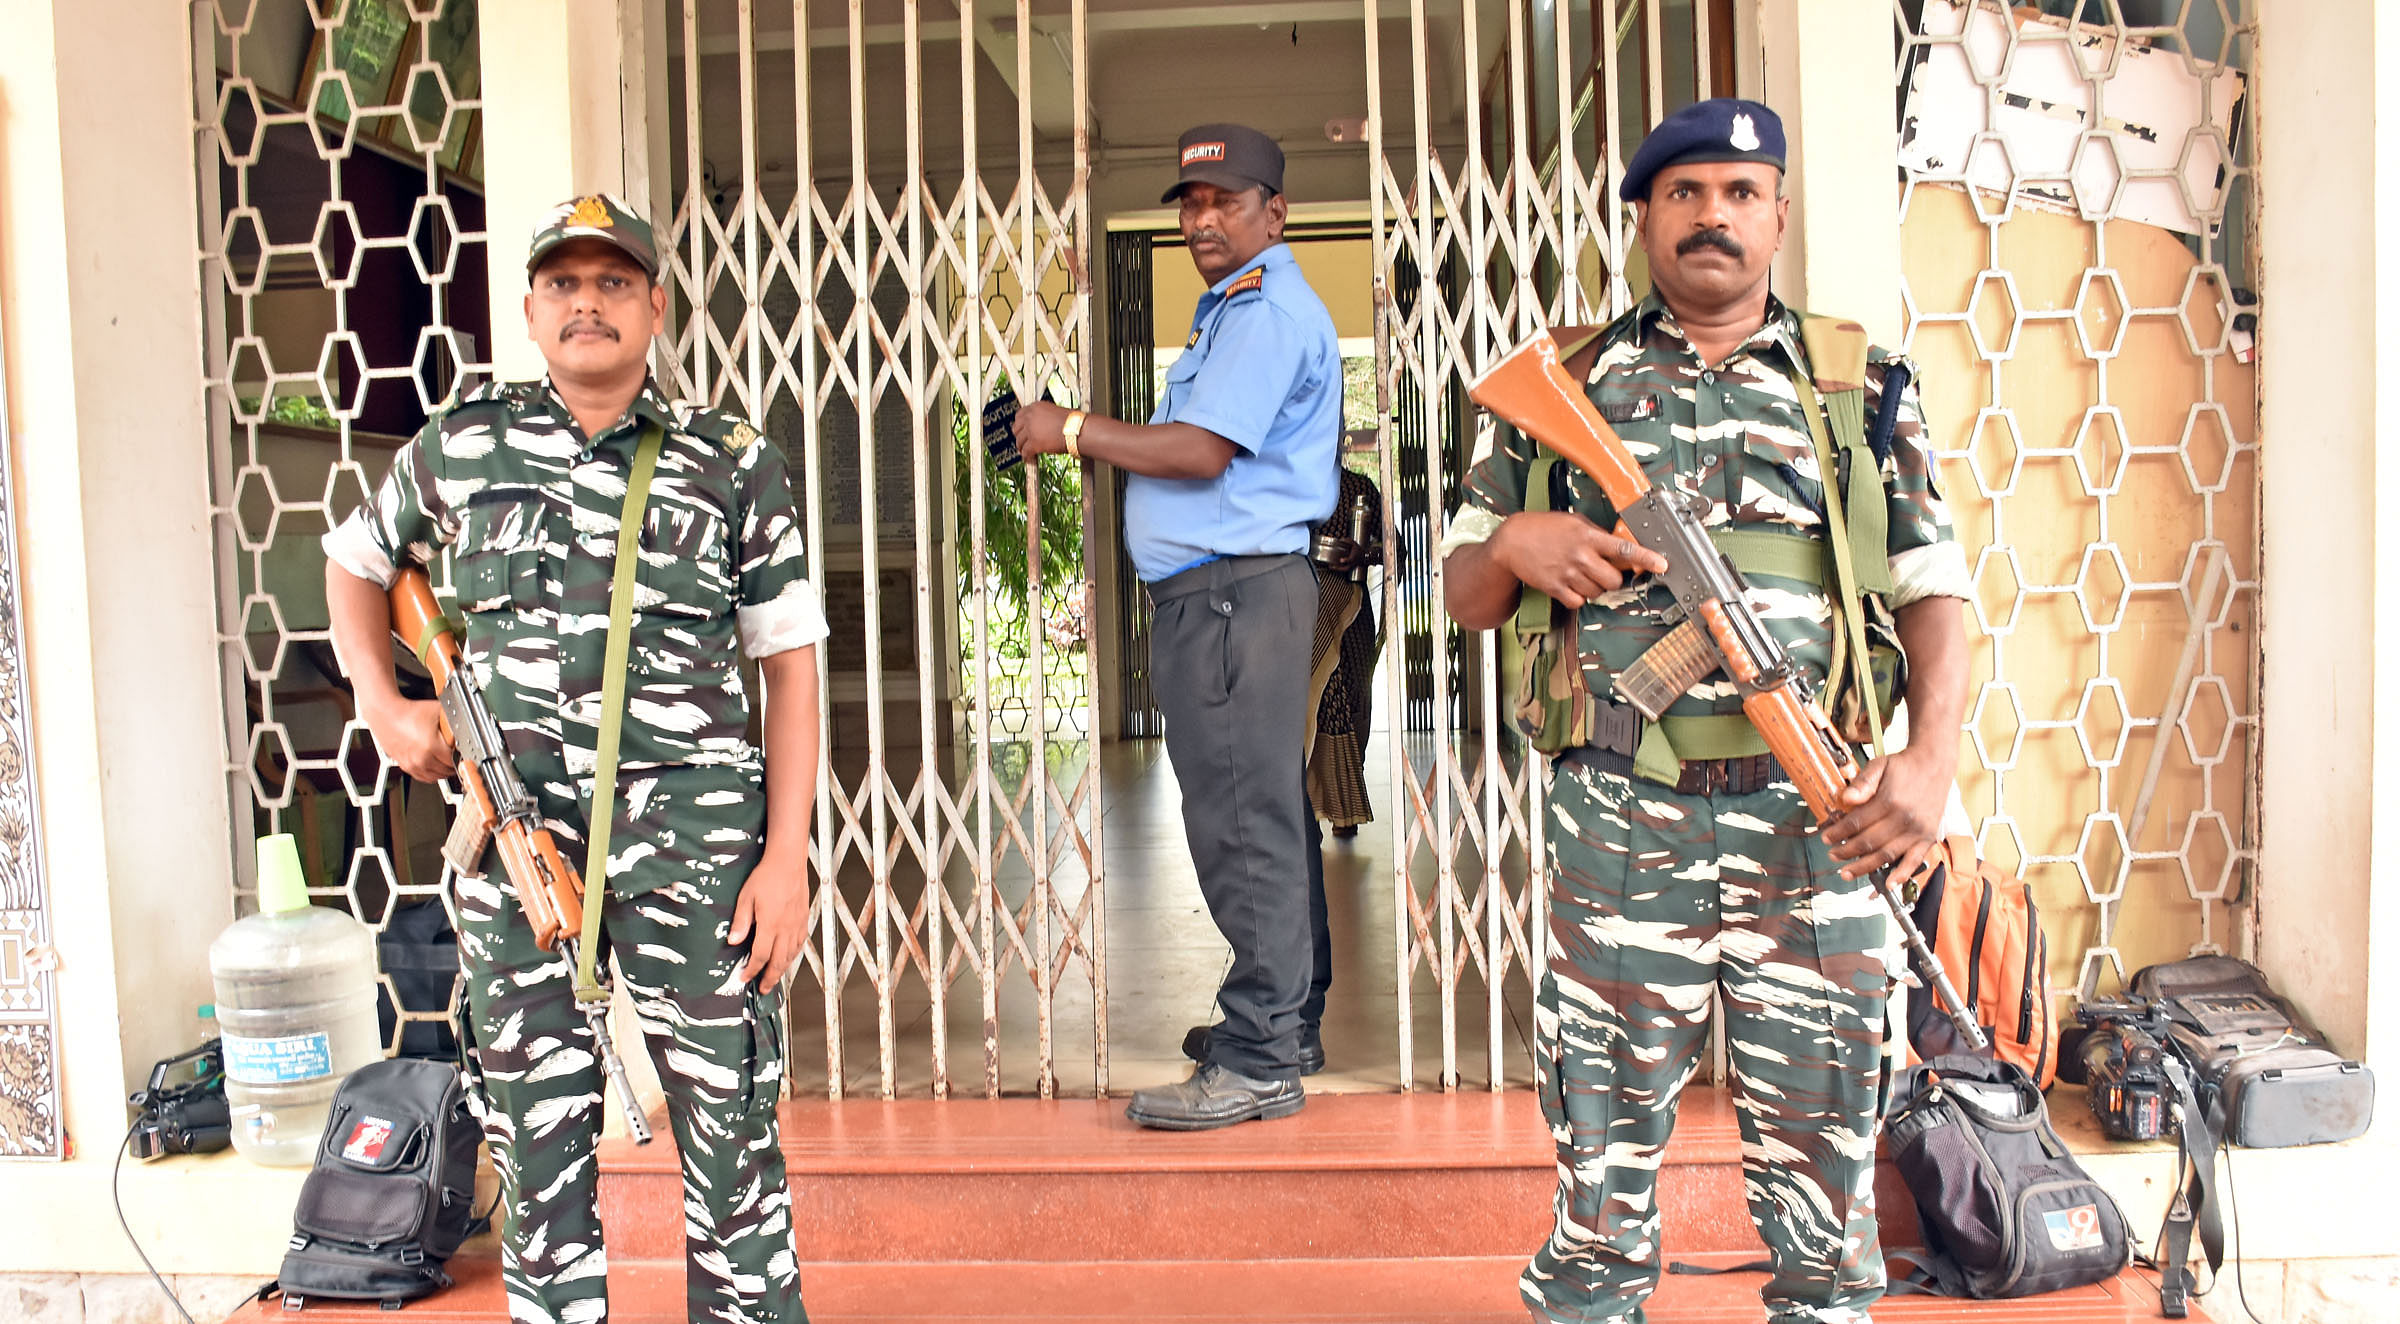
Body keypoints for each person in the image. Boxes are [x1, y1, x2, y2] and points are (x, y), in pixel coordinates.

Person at [1439, 99, 1971, 1324]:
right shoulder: (1566, 379)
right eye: (1685, 193)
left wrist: (1928, 760)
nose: (1713, 216)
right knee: (1602, 1145)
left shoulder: (1859, 380)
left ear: (1778, 214)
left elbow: (1933, 585)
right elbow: (1465, 590)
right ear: (1644, 215)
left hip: (1818, 817)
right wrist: (1519, 537)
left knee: (1828, 1150)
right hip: (1623, 818)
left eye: (1741, 192)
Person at [321, 194, 827, 1323]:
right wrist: (385, 707)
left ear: (654, 304)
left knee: (734, 1158)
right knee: (539, 1171)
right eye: (563, 283)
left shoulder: (732, 460)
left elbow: (789, 668)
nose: (585, 302)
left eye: (612, 283)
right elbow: (355, 563)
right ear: (532, 306)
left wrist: (786, 856)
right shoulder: (463, 442)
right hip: (514, 874)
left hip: (702, 875)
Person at [1014, 123, 1339, 1127]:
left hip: (1237, 598)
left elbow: (1199, 452)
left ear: (1273, 211)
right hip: (1228, 597)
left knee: (1244, 826)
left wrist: (1063, 429)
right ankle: (1287, 1020)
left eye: (1225, 202)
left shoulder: (1267, 311)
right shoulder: (1235, 310)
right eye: (1191, 204)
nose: (1203, 220)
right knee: (1264, 815)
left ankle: (1259, 1055)